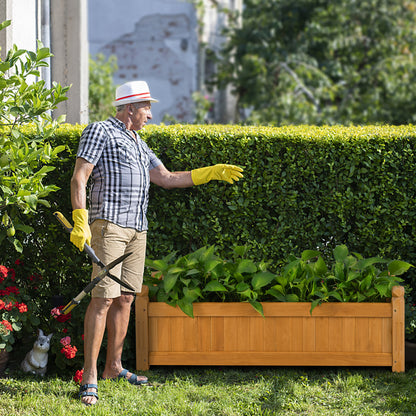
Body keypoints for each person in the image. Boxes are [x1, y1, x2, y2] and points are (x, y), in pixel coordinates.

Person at [70, 80, 243, 406]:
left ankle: (114, 367)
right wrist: (81, 219)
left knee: (125, 299)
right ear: (130, 108)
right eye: (147, 108)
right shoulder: (101, 131)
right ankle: (90, 376)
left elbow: (165, 178)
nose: (150, 115)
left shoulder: (138, 142)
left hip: (138, 230)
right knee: (103, 299)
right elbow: (80, 175)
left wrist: (209, 173)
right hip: (109, 226)